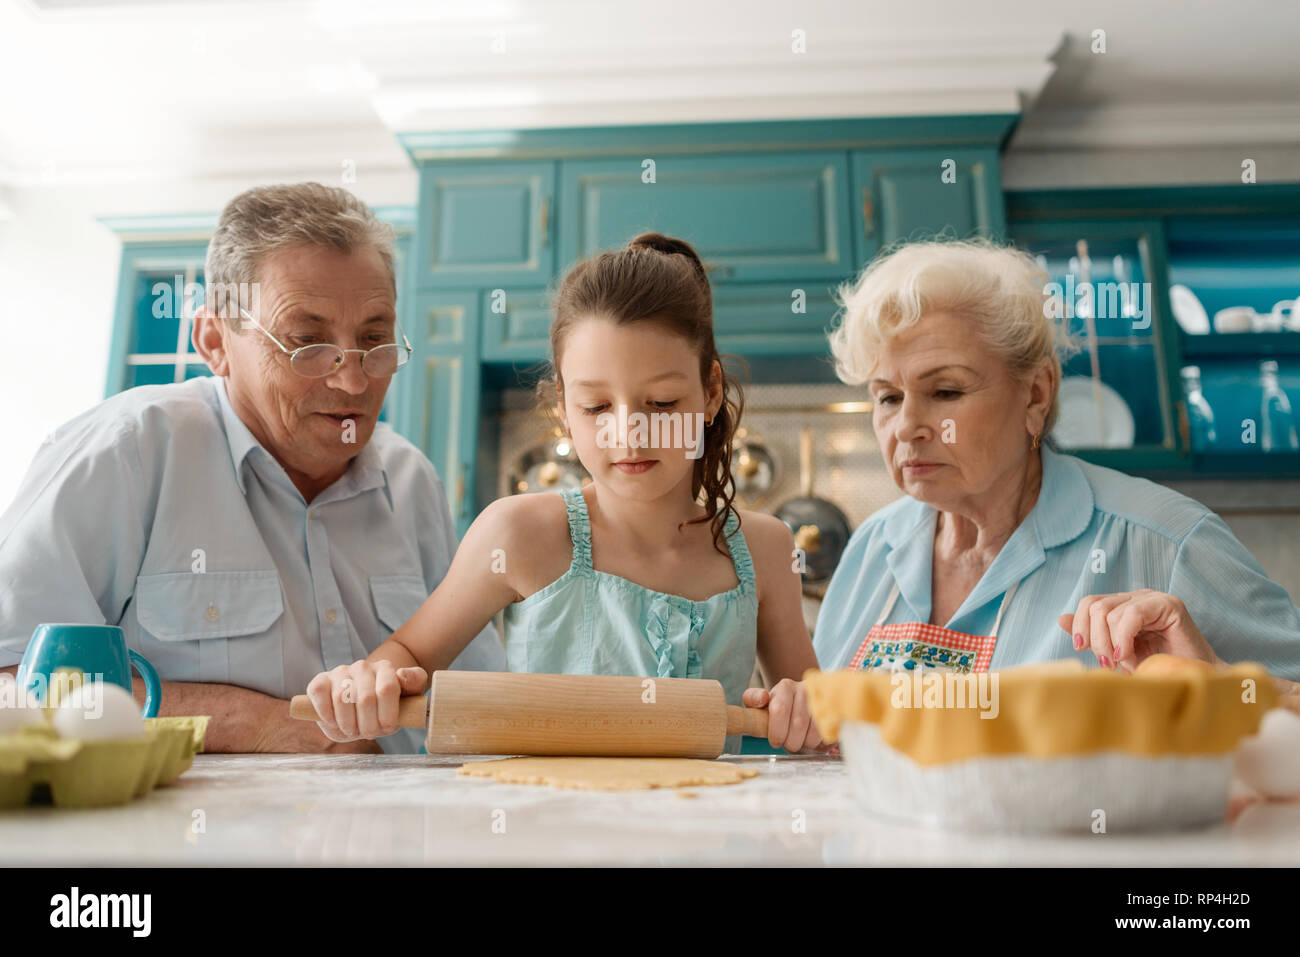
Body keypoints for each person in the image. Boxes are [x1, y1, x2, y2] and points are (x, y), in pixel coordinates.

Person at [0, 183, 504, 753]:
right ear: (215, 341)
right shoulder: (126, 453)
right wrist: (254, 721)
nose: (355, 380)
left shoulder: (412, 480)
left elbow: (476, 693)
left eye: (374, 339)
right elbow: (13, 687)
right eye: (307, 341)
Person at [305, 233, 825, 752]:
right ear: (561, 408)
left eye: (662, 402)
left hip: (710, 831)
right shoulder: (520, 534)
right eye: (597, 407)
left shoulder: (764, 549)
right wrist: (370, 680)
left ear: (710, 392)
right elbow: (408, 653)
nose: (628, 434)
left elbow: (816, 719)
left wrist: (806, 711)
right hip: (549, 829)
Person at [813, 238, 1300, 707]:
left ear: (1036, 395)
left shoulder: (1168, 543)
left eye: (945, 392)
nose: (907, 427)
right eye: (888, 398)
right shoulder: (871, 550)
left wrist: (1216, 679)